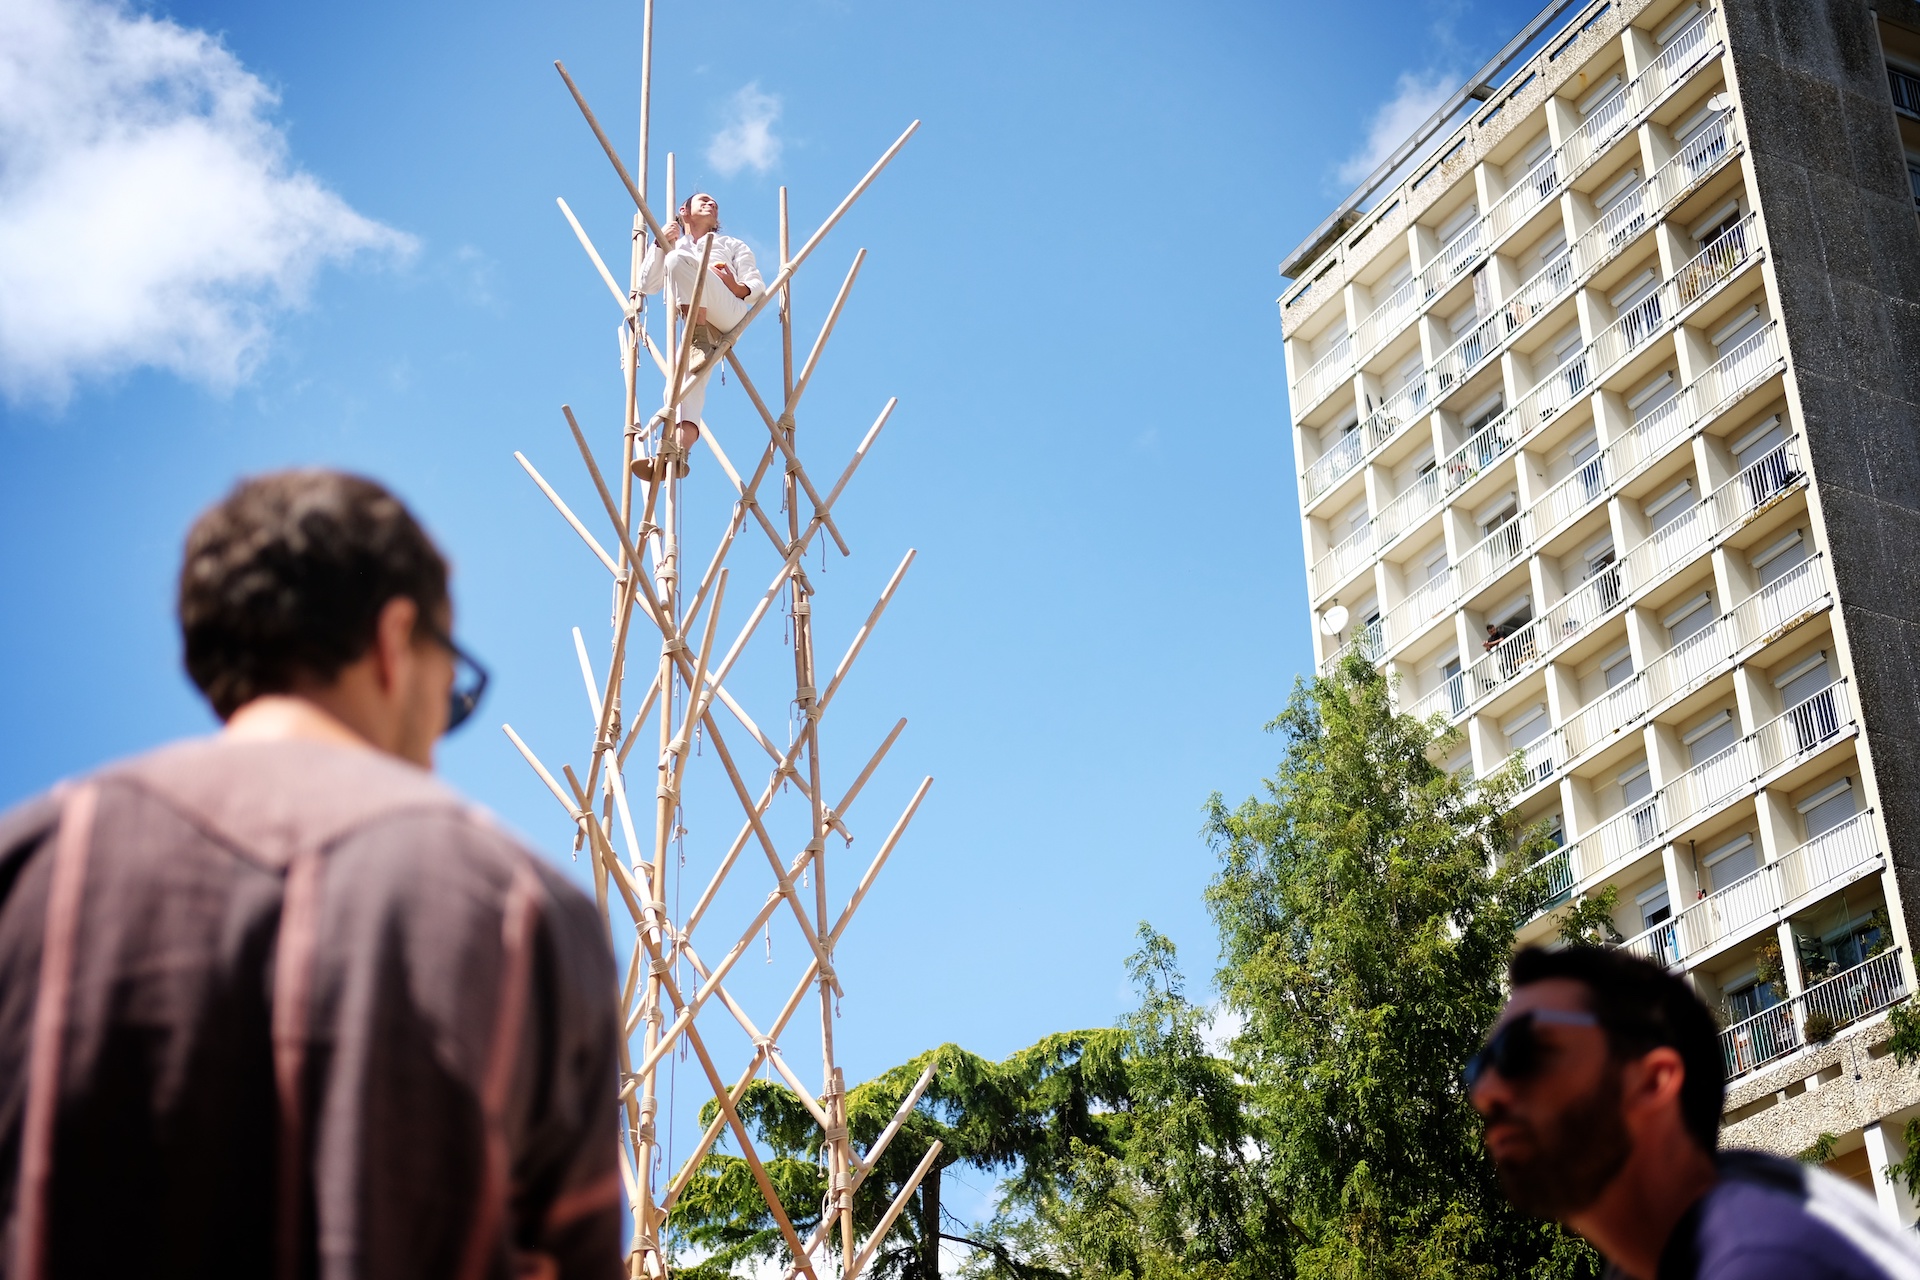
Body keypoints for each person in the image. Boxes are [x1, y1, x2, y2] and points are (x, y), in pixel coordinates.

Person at [0, 470, 622, 1280]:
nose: (437, 744)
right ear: (395, 640)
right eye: (452, 696)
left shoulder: (31, 867)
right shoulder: (522, 909)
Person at [1468, 945, 1920, 1279]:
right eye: (1480, 1067)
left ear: (1653, 1082)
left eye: (1521, 1052)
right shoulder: (1678, 1239)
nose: (1484, 1093)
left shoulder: (1760, 1261)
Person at [632, 192, 764, 481]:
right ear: (684, 210)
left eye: (714, 203)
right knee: (680, 389)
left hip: (727, 310)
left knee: (678, 259)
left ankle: (698, 335)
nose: (711, 204)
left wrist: (735, 285)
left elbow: (757, 287)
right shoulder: (673, 245)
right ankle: (674, 454)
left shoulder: (730, 244)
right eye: (703, 200)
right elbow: (648, 286)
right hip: (695, 323)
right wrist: (659, 244)